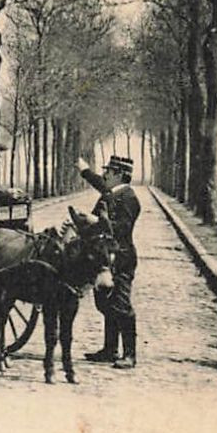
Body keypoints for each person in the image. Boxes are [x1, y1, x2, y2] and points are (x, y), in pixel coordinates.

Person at [79, 153, 142, 369]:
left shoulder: (129, 198)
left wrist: (97, 220)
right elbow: (99, 184)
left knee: (121, 305)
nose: (104, 174)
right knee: (106, 304)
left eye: (108, 171)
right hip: (104, 257)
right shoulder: (112, 193)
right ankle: (109, 349)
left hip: (121, 258)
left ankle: (130, 355)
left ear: (118, 175)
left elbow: (122, 228)